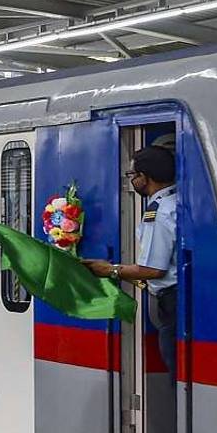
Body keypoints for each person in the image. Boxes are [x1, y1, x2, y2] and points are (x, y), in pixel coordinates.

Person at [83, 146, 178, 376]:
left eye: (132, 175)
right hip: (177, 300)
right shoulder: (178, 200)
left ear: (144, 177)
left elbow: (153, 270)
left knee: (175, 369)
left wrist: (109, 270)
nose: (132, 181)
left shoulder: (159, 211)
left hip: (172, 304)